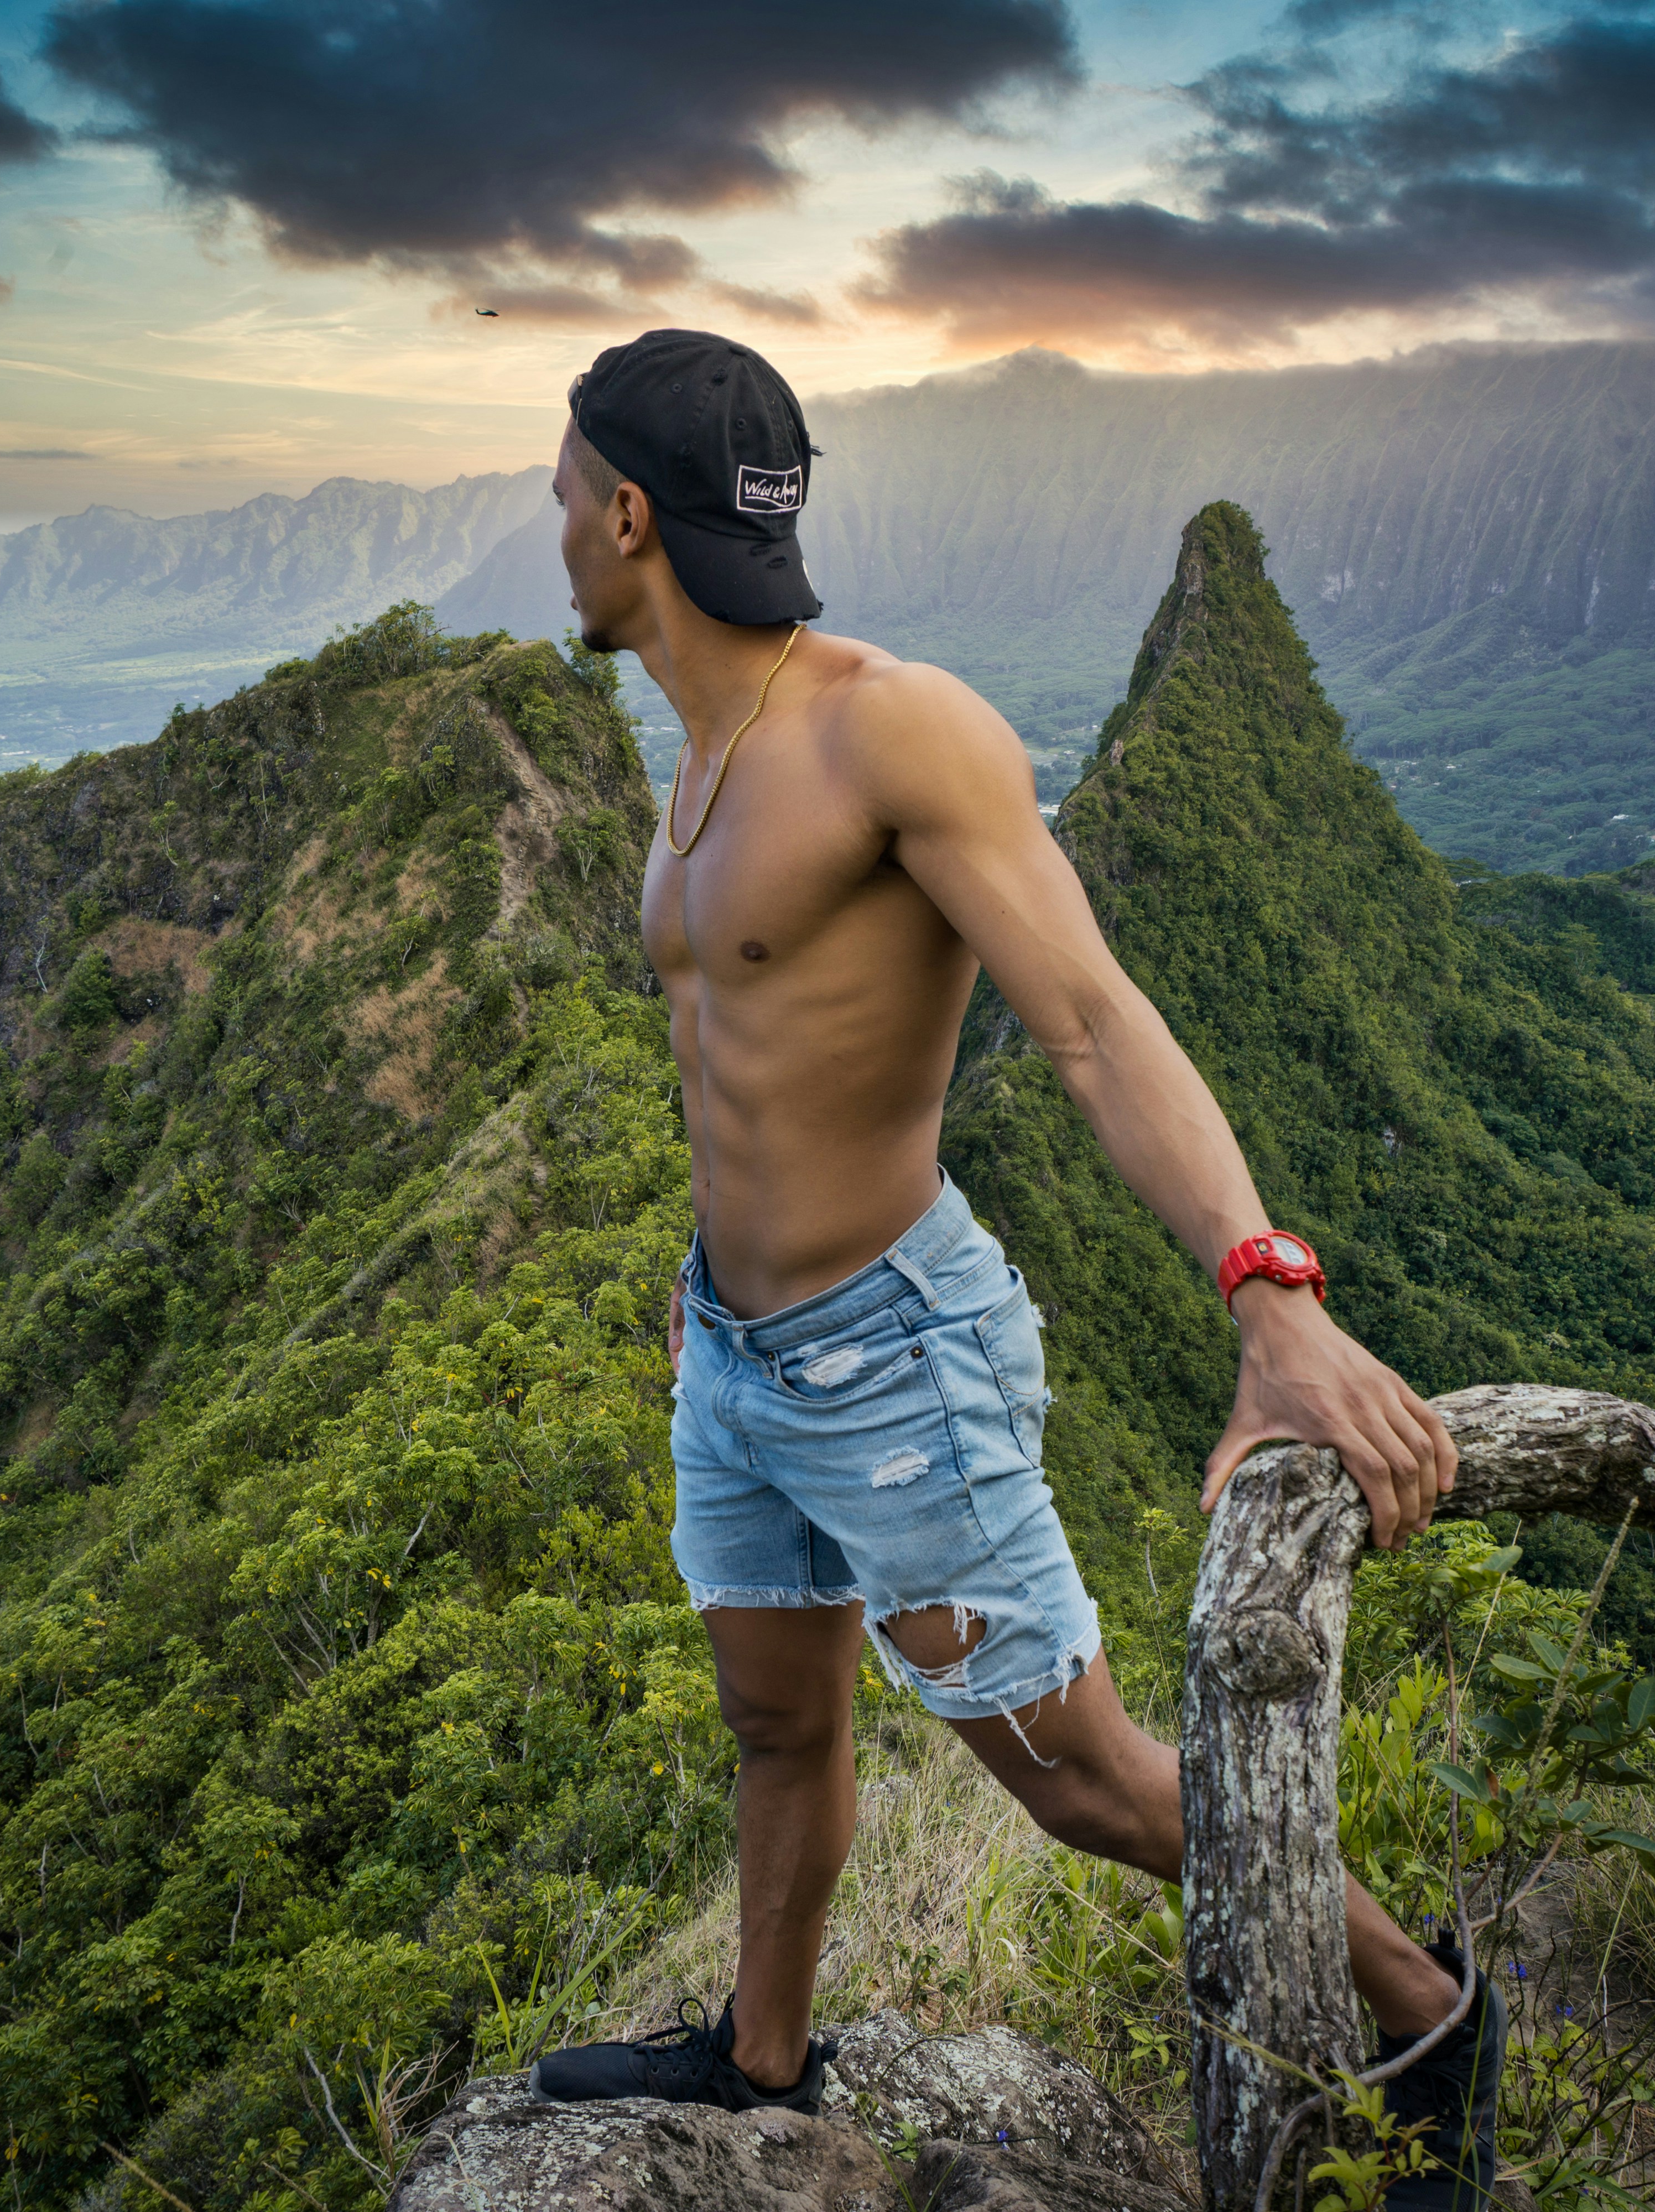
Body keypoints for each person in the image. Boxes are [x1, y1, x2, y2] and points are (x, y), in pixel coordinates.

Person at [527, 330, 1506, 2206]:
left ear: (631, 516)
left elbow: (1090, 1019)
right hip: (736, 1356)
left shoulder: (891, 731)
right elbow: (748, 1064)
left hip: (895, 1363)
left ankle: (1428, 2016)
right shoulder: (703, 750)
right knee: (778, 1724)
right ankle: (762, 2060)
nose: (554, 524)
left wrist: (1271, 1295)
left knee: (1085, 1782)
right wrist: (708, 1290)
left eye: (563, 493)